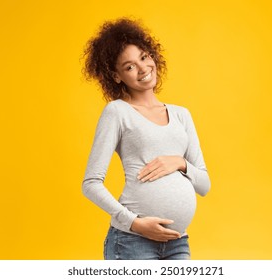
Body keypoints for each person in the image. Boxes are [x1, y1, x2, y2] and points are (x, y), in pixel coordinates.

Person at [81, 18, 211, 260]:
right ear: (116, 76)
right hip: (133, 242)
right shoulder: (117, 112)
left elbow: (204, 185)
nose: (142, 69)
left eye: (143, 57)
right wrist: (134, 223)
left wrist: (179, 163)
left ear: (152, 56)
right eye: (129, 67)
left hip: (178, 242)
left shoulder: (181, 114)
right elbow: (91, 184)